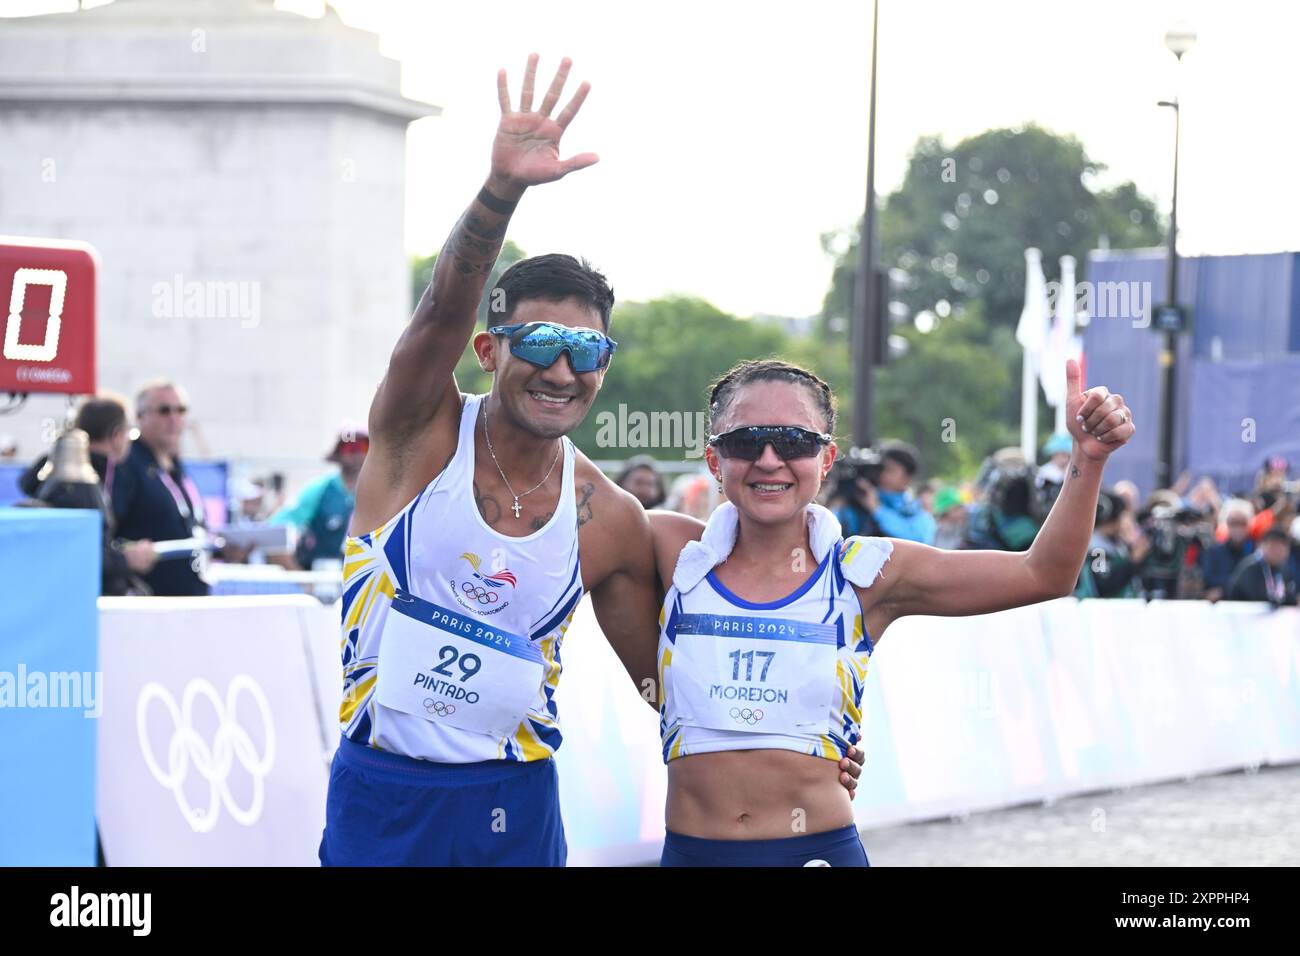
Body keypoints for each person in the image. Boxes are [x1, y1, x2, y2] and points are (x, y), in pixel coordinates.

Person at [315, 57, 863, 867]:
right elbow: (440, 307)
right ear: (488, 349)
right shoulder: (418, 436)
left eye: (586, 350)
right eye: (538, 343)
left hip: (514, 802)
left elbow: (673, 689)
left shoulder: (608, 518)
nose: (562, 370)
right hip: (384, 794)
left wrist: (796, 745)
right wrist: (500, 191)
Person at [647, 356, 1134, 866]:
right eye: (746, 442)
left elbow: (1045, 574)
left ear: (827, 459)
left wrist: (1088, 459)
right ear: (713, 460)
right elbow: (565, 494)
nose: (769, 459)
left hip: (818, 853)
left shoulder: (871, 572)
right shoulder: (667, 549)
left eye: (794, 442)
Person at [19, 394, 157, 595]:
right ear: (117, 435)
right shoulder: (81, 482)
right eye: (129, 432)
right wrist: (126, 560)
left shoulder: (54, 474)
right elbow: (78, 551)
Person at [110, 381, 213, 596]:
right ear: (140, 417)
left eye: (181, 410)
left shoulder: (176, 467)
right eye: (164, 410)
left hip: (190, 597)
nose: (174, 419)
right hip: (148, 603)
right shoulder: (126, 463)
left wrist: (222, 547)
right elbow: (106, 535)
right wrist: (126, 555)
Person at [270, 427, 368, 570]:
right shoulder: (321, 488)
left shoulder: (376, 491)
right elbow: (277, 528)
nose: (358, 454)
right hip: (321, 579)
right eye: (351, 448)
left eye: (364, 447)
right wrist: (301, 579)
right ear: (339, 453)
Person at [1073, 490, 1149, 599]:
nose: (1123, 522)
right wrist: (1133, 561)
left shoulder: (1117, 544)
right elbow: (1103, 585)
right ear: (1109, 519)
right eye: (1120, 517)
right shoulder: (1097, 549)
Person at [1199, 499, 1256, 602]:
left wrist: (1223, 589)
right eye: (1233, 523)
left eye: (1242, 523)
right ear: (1227, 525)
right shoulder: (1213, 552)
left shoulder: (1255, 553)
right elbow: (1208, 579)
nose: (1238, 529)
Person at [1225, 528, 1297, 606]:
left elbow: (1289, 597)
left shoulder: (1283, 568)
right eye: (1273, 547)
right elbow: (1257, 598)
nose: (1278, 552)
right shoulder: (1250, 568)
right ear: (1262, 546)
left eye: (1282, 548)